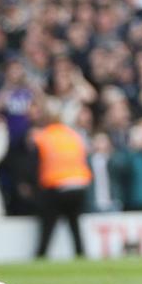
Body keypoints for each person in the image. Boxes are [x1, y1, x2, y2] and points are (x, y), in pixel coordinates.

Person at [30, 101, 92, 258]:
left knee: (48, 224)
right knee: (74, 224)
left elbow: (36, 163)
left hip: (56, 185)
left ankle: (41, 254)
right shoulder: (73, 135)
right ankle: (80, 253)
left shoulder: (43, 136)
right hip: (79, 184)